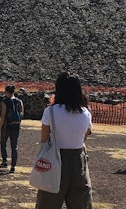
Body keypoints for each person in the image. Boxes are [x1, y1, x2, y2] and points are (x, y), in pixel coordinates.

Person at [35, 72, 92, 209]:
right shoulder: (85, 113)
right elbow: (84, 137)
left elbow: (44, 139)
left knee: (48, 202)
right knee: (81, 203)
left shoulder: (50, 111)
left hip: (55, 159)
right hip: (78, 161)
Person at [0, 85, 24, 173]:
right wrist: (19, 123)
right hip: (16, 126)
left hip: (7, 126)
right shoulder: (19, 101)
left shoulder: (5, 101)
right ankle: (13, 166)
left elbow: (3, 115)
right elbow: (21, 114)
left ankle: (4, 161)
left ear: (6, 92)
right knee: (14, 146)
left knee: (3, 143)